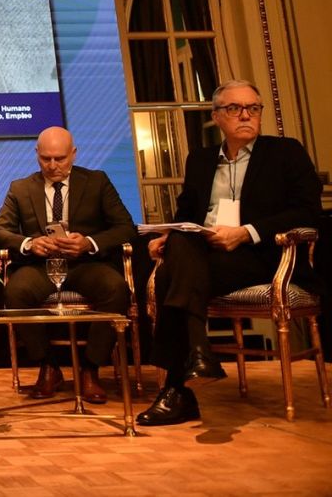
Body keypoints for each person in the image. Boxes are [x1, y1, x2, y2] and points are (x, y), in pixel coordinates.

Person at [138, 80, 322, 425]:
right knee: (179, 247)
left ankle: (178, 386)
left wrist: (245, 233)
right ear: (217, 117)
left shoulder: (285, 152)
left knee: (167, 277)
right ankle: (195, 355)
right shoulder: (202, 159)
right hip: (206, 253)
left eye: (253, 108)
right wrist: (166, 236)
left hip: (262, 256)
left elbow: (307, 211)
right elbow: (187, 215)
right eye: (235, 109)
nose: (245, 115)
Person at [0, 126, 136, 404]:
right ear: (36, 155)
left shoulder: (96, 181)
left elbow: (126, 227)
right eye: (46, 159)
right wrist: (29, 244)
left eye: (60, 158)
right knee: (15, 293)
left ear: (74, 154)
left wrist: (89, 242)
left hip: (85, 263)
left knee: (116, 289)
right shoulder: (20, 188)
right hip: (41, 266)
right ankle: (48, 366)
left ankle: (91, 369)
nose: (53, 166)